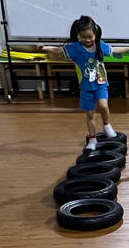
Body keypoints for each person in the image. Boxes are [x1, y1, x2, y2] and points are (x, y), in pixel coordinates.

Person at [35, 16, 124, 151]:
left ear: (95, 33)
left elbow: (114, 50)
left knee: (103, 105)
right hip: (85, 86)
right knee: (90, 114)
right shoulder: (75, 48)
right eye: (83, 37)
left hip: (100, 82)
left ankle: (106, 125)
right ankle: (93, 139)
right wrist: (45, 48)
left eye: (90, 37)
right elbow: (59, 51)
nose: (87, 40)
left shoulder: (100, 45)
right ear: (78, 35)